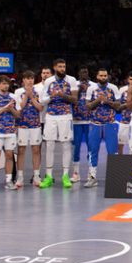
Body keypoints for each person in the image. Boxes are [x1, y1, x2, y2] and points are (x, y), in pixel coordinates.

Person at [40, 58, 79, 189]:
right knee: (49, 145)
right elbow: (42, 100)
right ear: (55, 67)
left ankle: (65, 176)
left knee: (66, 145)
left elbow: (75, 100)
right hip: (51, 116)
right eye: (60, 66)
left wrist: (62, 95)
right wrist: (52, 96)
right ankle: (49, 176)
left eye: (64, 66)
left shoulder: (71, 80)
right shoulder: (49, 81)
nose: (63, 69)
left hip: (66, 115)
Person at [84, 68, 121, 188]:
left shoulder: (114, 88)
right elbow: (88, 106)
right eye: (101, 75)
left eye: (105, 75)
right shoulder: (91, 88)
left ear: (108, 76)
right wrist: (98, 100)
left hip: (110, 124)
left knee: (112, 152)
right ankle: (92, 177)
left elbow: (118, 106)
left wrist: (107, 101)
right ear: (97, 76)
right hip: (95, 124)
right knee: (92, 151)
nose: (103, 77)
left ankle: (114, 178)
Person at [15, 70, 44, 186]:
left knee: (36, 150)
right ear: (23, 80)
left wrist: (32, 97)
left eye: (31, 78)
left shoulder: (39, 91)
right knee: (21, 150)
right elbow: (19, 107)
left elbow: (40, 108)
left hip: (35, 125)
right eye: (27, 78)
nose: (30, 80)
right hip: (22, 125)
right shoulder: (18, 92)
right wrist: (26, 95)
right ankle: (20, 177)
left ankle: (36, 176)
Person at [71, 68, 96, 182]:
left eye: (86, 72)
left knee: (91, 147)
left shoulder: (94, 85)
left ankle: (91, 173)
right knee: (76, 148)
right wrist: (79, 90)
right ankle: (76, 173)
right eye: (82, 72)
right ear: (78, 74)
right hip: (76, 121)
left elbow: (96, 101)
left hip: (90, 120)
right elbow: (72, 100)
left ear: (88, 74)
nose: (84, 74)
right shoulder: (74, 84)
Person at [31, 67, 52, 182]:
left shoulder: (54, 87)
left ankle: (49, 175)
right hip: (38, 121)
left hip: (50, 121)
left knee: (49, 148)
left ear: (51, 74)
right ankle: (36, 174)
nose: (45, 75)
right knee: (36, 149)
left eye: (47, 73)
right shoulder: (35, 88)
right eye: (43, 73)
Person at [117, 71, 132, 155]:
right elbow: (118, 106)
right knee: (120, 142)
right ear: (127, 80)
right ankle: (120, 160)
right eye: (131, 79)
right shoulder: (122, 90)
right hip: (124, 120)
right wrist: (128, 104)